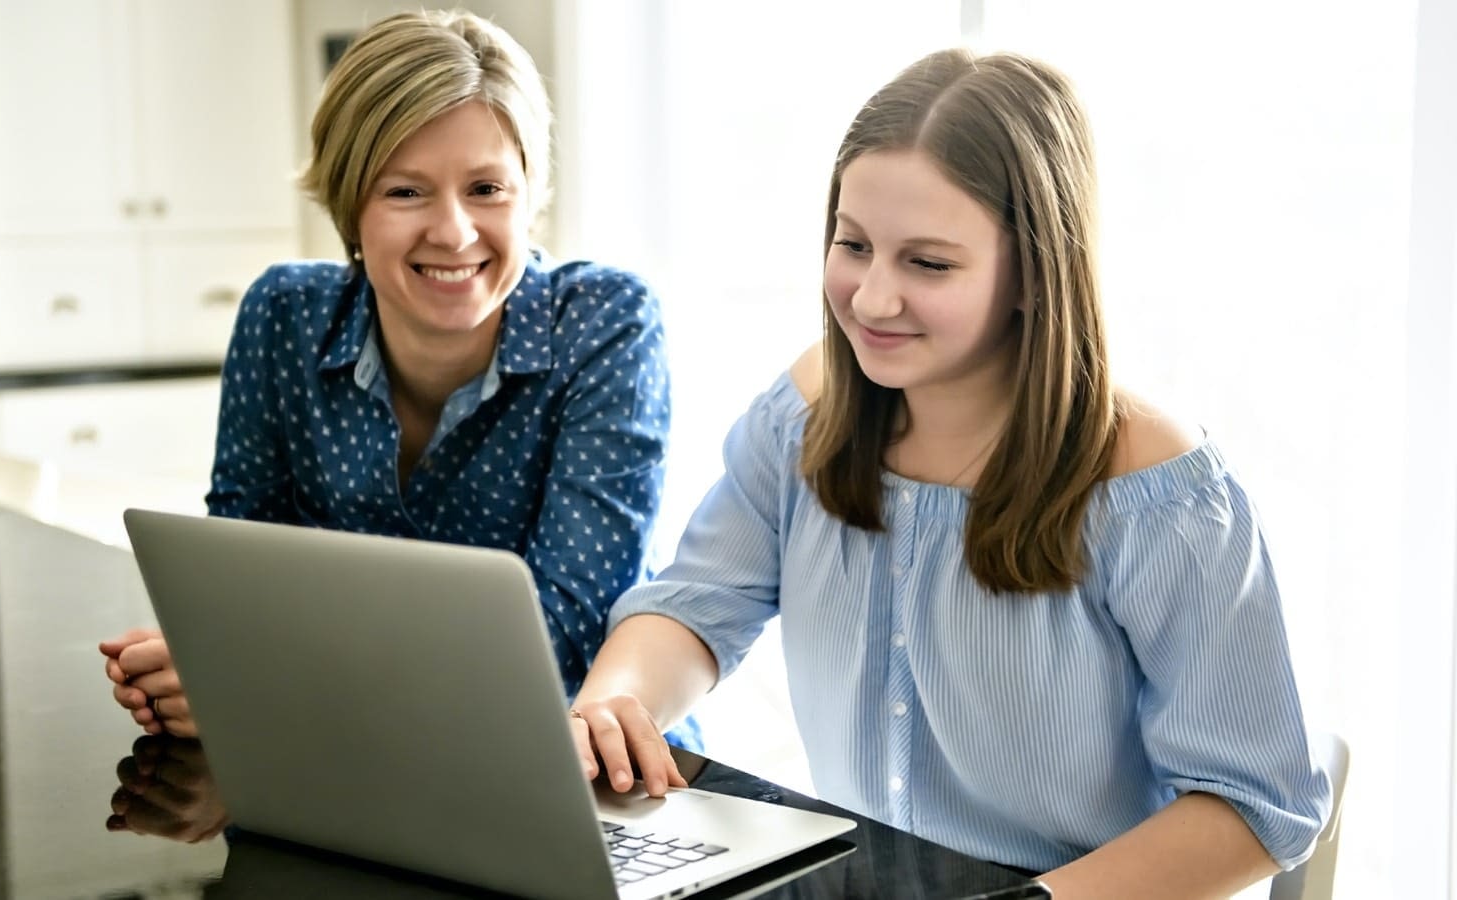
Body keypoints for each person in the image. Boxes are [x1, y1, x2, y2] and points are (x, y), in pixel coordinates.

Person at [568, 48, 1332, 897]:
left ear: (1034, 274)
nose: (870, 300)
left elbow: (1255, 803)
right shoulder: (804, 415)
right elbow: (698, 607)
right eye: (853, 245)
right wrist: (611, 704)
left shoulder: (1158, 492)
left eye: (928, 264)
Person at [101, 9, 698, 751]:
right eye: (406, 192)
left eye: (486, 188)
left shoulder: (605, 320)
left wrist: (257, 679)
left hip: (567, 759)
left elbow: (562, 626)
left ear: (530, 196)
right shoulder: (282, 315)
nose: (453, 232)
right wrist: (200, 663)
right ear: (350, 204)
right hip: (348, 753)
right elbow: (238, 578)